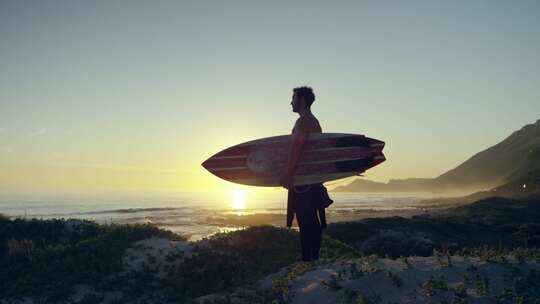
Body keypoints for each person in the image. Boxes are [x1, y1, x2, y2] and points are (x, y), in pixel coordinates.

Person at [279, 86, 330, 262]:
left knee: (307, 222)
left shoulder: (304, 122)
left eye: (293, 98)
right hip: (310, 181)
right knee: (310, 222)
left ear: (301, 100)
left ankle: (309, 261)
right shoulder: (312, 121)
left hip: (304, 183)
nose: (290, 102)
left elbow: (297, 148)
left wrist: (287, 173)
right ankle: (311, 259)